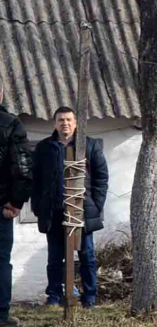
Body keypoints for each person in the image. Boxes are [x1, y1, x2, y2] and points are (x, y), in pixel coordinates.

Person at [31, 106, 108, 309]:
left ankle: (89, 297)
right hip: (54, 211)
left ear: (75, 123)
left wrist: (95, 205)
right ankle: (55, 296)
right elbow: (35, 180)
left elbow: (101, 178)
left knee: (87, 256)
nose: (65, 123)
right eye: (60, 120)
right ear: (54, 123)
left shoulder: (89, 145)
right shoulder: (44, 148)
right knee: (55, 257)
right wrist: (38, 207)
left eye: (68, 120)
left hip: (81, 211)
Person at [0, 76, 33, 327]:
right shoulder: (11, 123)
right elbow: (23, 166)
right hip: (1, 208)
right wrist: (16, 203)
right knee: (0, 261)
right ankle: (0, 316)